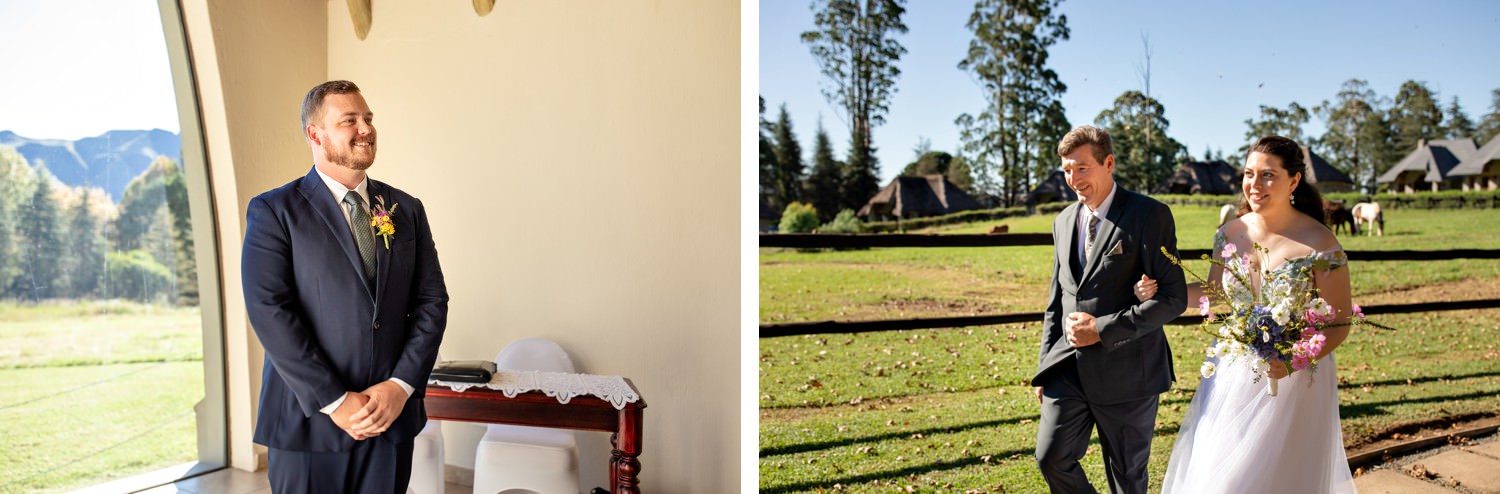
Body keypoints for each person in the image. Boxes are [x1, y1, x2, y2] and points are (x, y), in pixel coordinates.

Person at [242, 80, 448, 493]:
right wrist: (336, 400)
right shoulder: (274, 210)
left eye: (368, 118)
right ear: (314, 134)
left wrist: (400, 386)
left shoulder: (405, 209)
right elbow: (270, 310)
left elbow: (431, 301)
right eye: (349, 120)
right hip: (310, 421)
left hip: (389, 419)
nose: (366, 129)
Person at [1136, 135, 1357, 493]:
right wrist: (1163, 293)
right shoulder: (1229, 233)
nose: (1255, 185)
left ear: (1294, 181)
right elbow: (1214, 292)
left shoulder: (1321, 245)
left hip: (1296, 380)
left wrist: (1293, 359)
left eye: (1268, 175)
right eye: (1249, 173)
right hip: (1233, 375)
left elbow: (1339, 323)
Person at [1033, 125, 1187, 494]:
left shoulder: (1150, 214)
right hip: (1068, 369)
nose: (1073, 179)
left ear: (1109, 163)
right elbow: (1058, 298)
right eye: (1067, 170)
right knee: (1051, 457)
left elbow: (1172, 298)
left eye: (1082, 168)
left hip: (1129, 371)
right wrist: (1045, 366)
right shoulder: (1063, 220)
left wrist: (1101, 329)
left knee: (1127, 478)